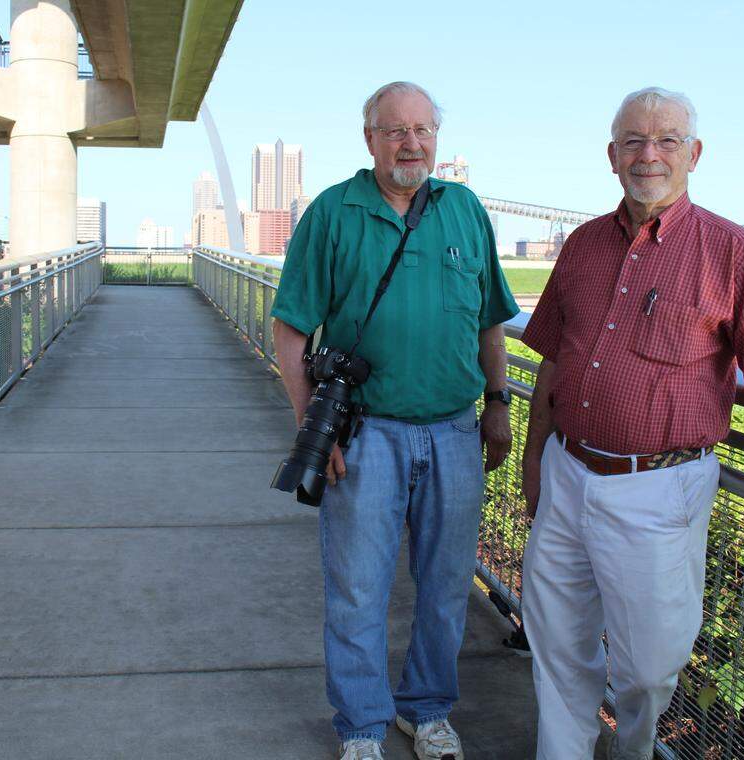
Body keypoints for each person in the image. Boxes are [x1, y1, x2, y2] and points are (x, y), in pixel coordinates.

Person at [518, 86, 744, 760]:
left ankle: (633, 751)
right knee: (558, 647)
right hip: (566, 470)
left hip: (659, 489)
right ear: (612, 157)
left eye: (667, 140)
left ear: (693, 154)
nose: (649, 154)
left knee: (649, 667)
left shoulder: (734, 252)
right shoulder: (583, 247)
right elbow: (556, 367)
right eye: (634, 142)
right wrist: (535, 464)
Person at [270, 81, 519, 760]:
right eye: (396, 130)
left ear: (437, 136)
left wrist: (497, 403)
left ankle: (428, 711)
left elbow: (491, 320)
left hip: (456, 431)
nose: (412, 143)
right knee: (358, 588)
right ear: (370, 139)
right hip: (366, 433)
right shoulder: (333, 212)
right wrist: (310, 432)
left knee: (444, 587)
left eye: (424, 130)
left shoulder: (464, 209)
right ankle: (360, 727)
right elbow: (290, 328)